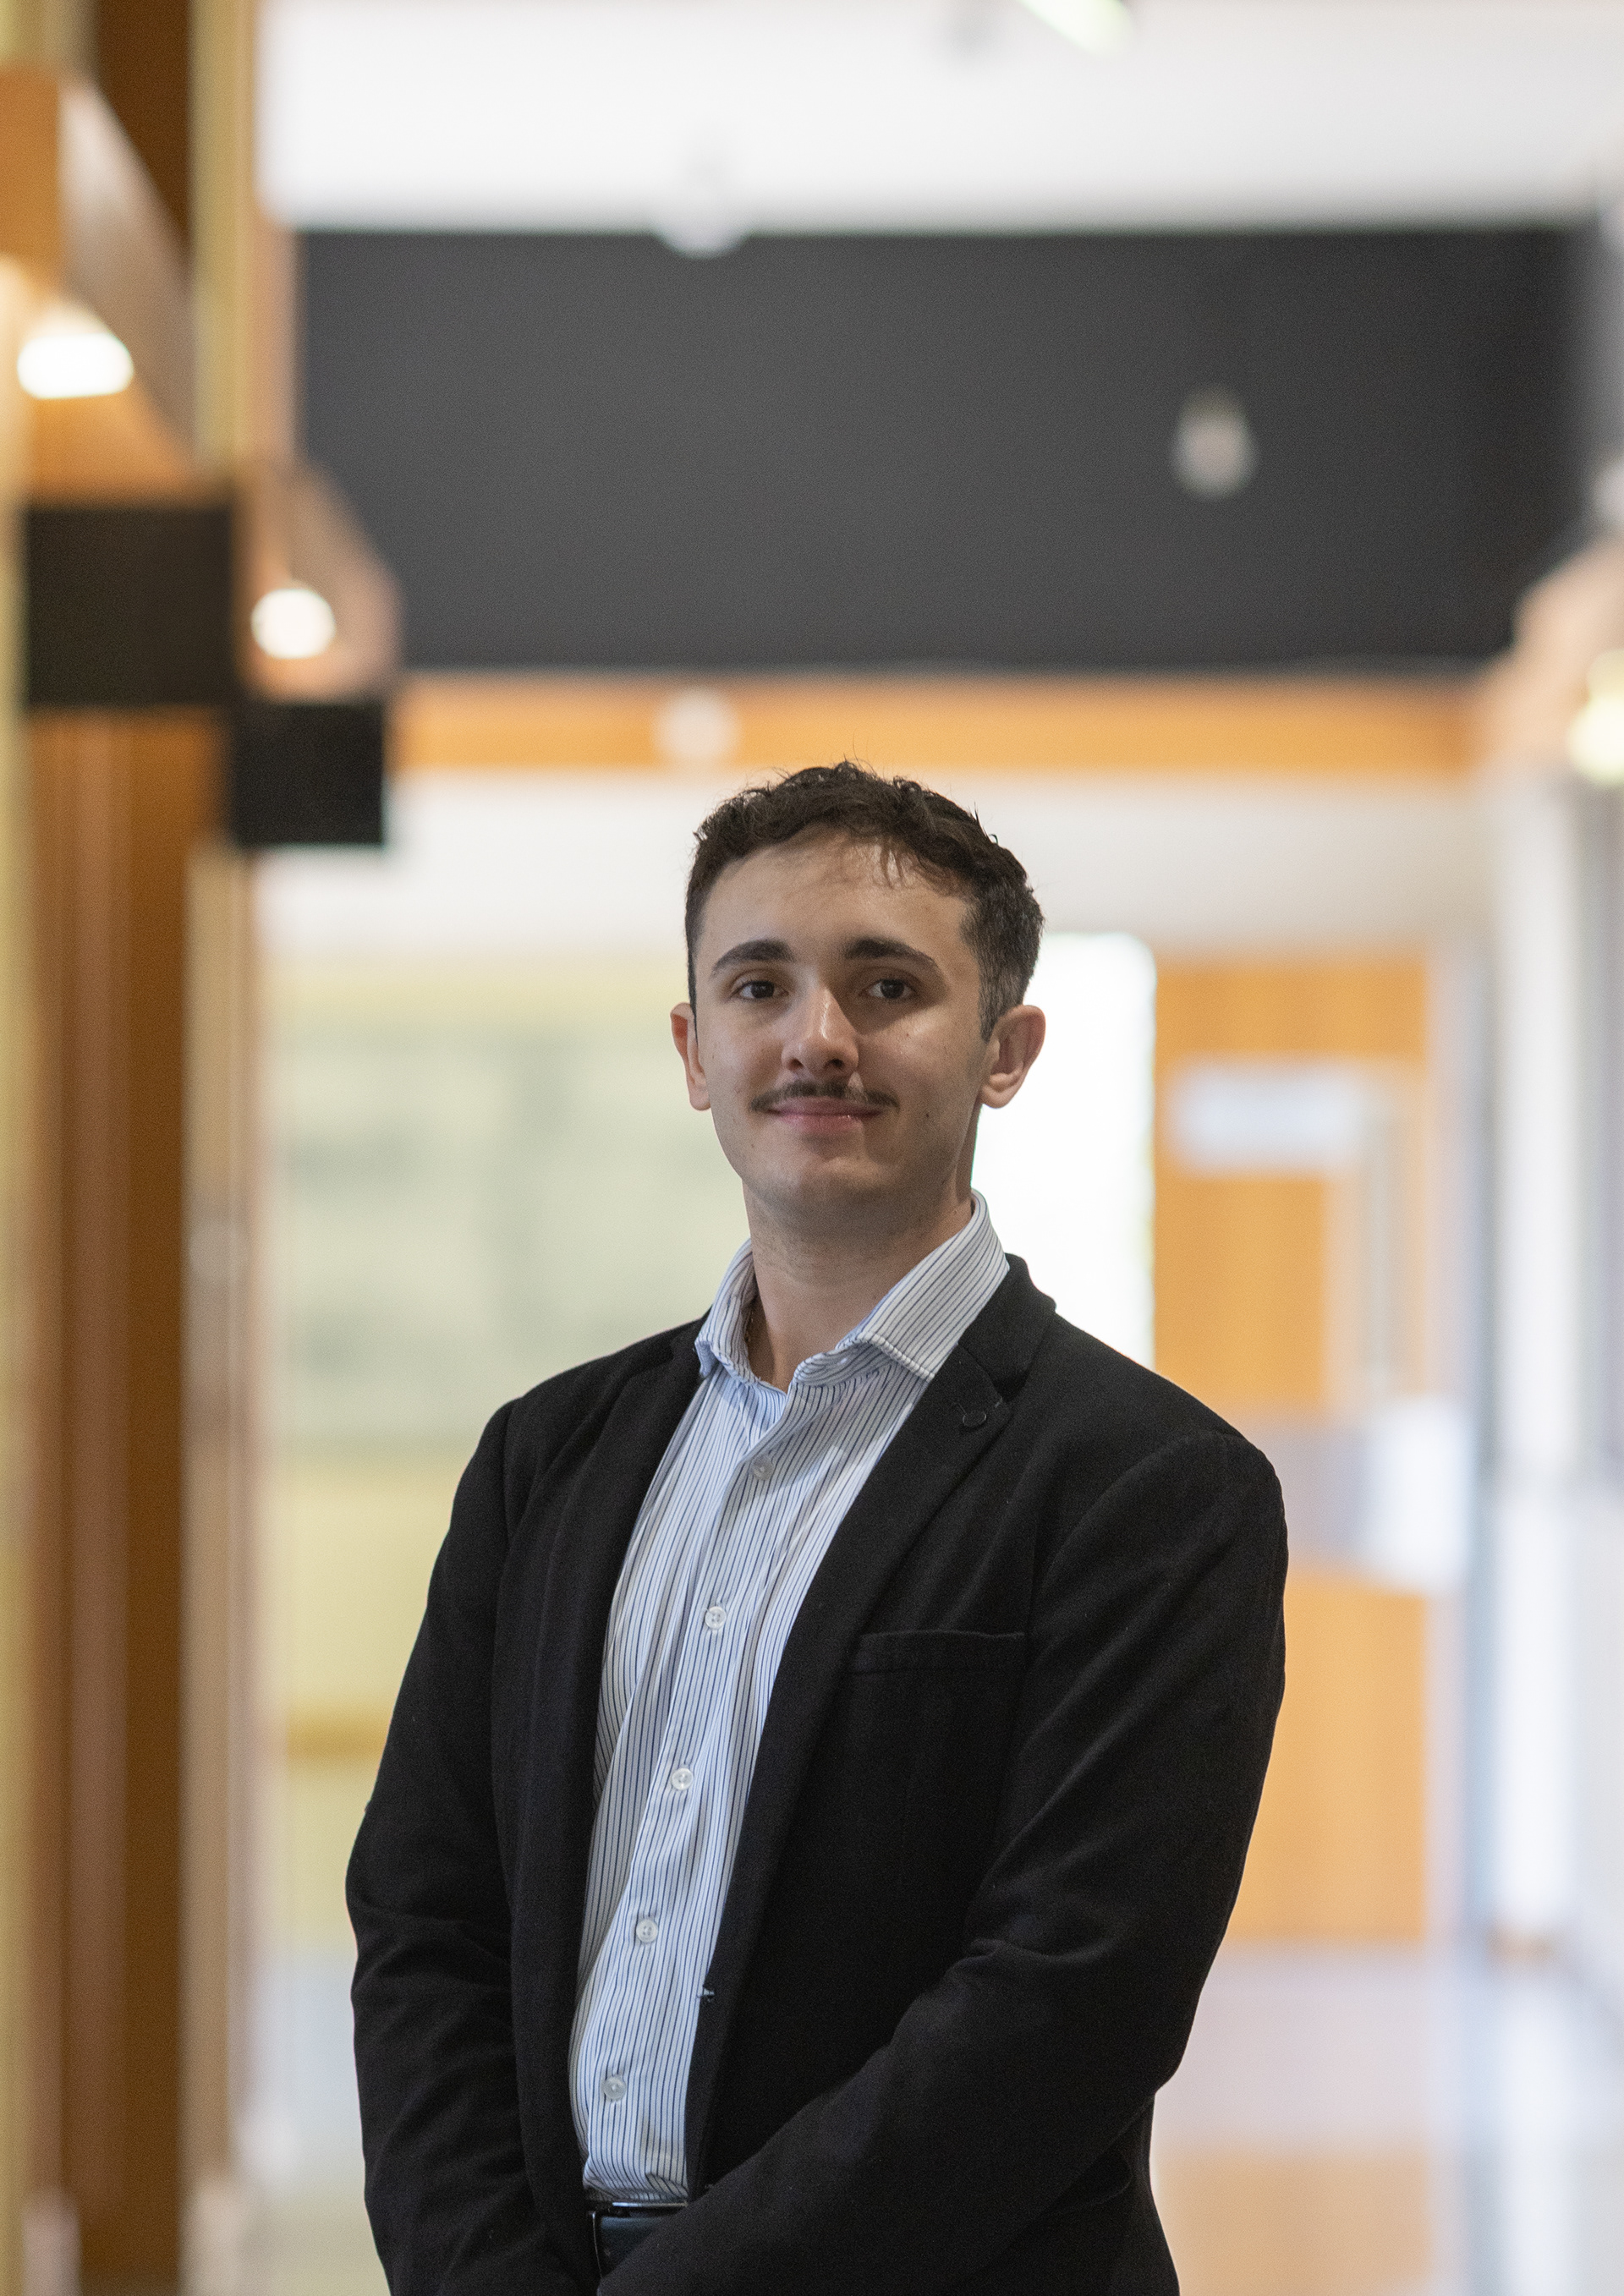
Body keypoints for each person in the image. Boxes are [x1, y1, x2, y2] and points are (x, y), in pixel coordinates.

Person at [348, 762, 1287, 2296]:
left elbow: (1068, 2001)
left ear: (1005, 1051)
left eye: (888, 985)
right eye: (759, 984)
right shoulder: (547, 1459)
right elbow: (425, 1917)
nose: (817, 1038)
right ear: (694, 1050)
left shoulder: (1153, 1487)